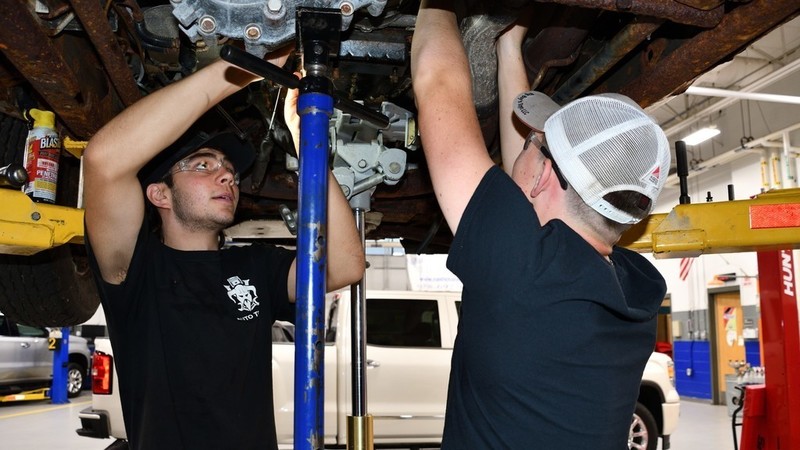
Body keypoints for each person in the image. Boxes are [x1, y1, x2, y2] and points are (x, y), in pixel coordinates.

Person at [411, 2, 671, 449]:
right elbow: (527, 188)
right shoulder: (635, 295)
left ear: (544, 175)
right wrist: (510, 47)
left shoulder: (525, 272)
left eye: (535, 143)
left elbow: (438, 84)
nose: (525, 149)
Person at [82, 49, 365, 450]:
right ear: (159, 194)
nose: (227, 176)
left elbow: (345, 266)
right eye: (202, 165)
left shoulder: (255, 266)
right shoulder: (137, 268)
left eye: (230, 173)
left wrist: (307, 142)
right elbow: (103, 160)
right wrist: (245, 69)